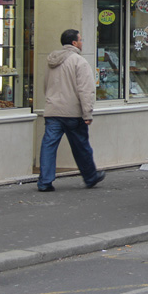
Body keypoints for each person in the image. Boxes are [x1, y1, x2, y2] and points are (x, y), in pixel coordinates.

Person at [37, 29, 105, 192]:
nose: (82, 42)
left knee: (49, 145)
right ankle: (90, 176)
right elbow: (85, 90)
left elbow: (45, 85)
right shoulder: (79, 62)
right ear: (74, 43)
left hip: (53, 110)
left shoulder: (51, 61)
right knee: (81, 145)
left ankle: (45, 181)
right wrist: (87, 113)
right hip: (72, 112)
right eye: (80, 40)